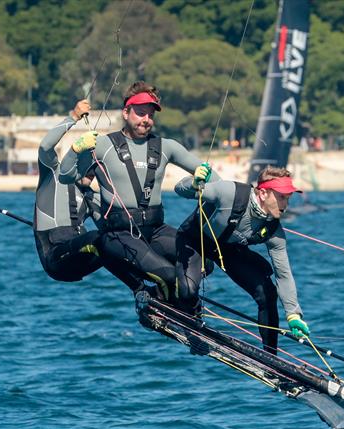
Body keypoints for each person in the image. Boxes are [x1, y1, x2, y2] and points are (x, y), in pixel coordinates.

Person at [59, 81, 217, 300]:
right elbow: (65, 175)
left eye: (150, 115)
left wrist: (208, 180)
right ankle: (157, 298)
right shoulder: (103, 145)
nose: (146, 120)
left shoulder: (166, 146)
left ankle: (178, 303)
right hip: (119, 233)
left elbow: (212, 176)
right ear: (126, 112)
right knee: (169, 275)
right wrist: (75, 150)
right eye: (141, 113)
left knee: (204, 262)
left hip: (156, 229)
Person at [173, 166, 310, 355]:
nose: (286, 204)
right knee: (188, 290)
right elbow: (179, 189)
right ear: (263, 193)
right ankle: (190, 323)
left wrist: (293, 313)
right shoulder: (230, 193)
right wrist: (195, 184)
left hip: (227, 250)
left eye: (288, 198)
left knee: (267, 293)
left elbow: (283, 273)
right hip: (195, 240)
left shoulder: (274, 231)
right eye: (282, 197)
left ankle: (271, 358)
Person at [33, 99, 102, 282]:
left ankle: (145, 291)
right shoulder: (53, 175)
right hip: (55, 260)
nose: (93, 174)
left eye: (97, 170)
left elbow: (112, 225)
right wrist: (73, 117)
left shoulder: (90, 197)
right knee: (100, 238)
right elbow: (45, 146)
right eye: (91, 168)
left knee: (119, 243)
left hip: (79, 264)